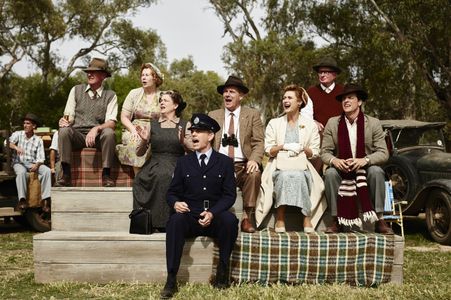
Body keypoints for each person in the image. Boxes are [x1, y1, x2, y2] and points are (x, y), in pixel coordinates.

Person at [161, 113, 238, 299]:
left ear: (210, 136)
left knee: (230, 220)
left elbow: (229, 195)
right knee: (174, 222)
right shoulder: (183, 162)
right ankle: (171, 278)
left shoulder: (225, 162)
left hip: (214, 215)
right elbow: (172, 193)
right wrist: (175, 203)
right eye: (192, 131)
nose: (193, 135)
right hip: (190, 215)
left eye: (198, 131)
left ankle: (222, 272)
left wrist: (213, 212)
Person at [321, 83, 393, 234]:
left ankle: (380, 219)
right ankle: (337, 220)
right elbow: (325, 152)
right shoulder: (333, 123)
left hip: (364, 169)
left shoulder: (372, 123)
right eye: (343, 99)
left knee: (376, 171)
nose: (346, 101)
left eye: (350, 98)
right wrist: (335, 161)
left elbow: (383, 153)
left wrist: (364, 160)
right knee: (330, 173)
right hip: (342, 169)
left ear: (359, 102)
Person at [255, 85, 327, 233]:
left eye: (289, 98)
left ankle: (306, 217)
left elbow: (314, 152)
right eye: (284, 98)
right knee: (284, 175)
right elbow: (268, 149)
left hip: (302, 165)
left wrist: (301, 147)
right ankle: (280, 218)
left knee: (300, 175)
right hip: (278, 165)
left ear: (299, 102)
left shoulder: (309, 125)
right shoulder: (274, 123)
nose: (285, 101)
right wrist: (283, 146)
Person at [208, 75, 264, 233]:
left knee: (254, 174)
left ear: (241, 96)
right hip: (219, 164)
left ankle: (247, 217)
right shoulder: (213, 115)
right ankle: (214, 215)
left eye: (232, 91)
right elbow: (206, 141)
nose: (227, 95)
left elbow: (259, 142)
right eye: (225, 91)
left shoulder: (252, 114)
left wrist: (254, 160)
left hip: (243, 165)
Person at [132, 90, 192, 231]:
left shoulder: (185, 125)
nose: (161, 103)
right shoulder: (152, 124)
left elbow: (193, 151)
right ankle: (149, 221)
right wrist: (144, 140)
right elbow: (139, 153)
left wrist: (183, 142)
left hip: (178, 162)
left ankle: (167, 223)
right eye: (160, 101)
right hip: (155, 163)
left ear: (175, 105)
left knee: (166, 175)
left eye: (165, 100)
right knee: (143, 178)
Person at [56, 57, 118, 187]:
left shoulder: (111, 95)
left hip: (97, 137)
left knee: (109, 133)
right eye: (88, 71)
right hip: (77, 135)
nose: (89, 74)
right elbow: (69, 115)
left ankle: (106, 174)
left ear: (103, 76)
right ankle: (65, 174)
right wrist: (64, 121)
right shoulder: (76, 90)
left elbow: (111, 122)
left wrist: (96, 129)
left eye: (93, 72)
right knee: (64, 131)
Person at [116, 62, 163, 175]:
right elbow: (124, 117)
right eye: (142, 75)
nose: (144, 78)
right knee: (136, 142)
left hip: (155, 130)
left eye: (147, 75)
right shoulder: (134, 93)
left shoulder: (163, 96)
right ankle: (138, 178)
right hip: (135, 130)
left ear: (155, 78)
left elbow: (167, 118)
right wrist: (133, 130)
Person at [306, 57, 344, 174]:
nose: (322, 74)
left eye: (326, 72)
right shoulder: (311, 92)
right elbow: (303, 113)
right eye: (320, 72)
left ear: (334, 75)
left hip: (340, 132)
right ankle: (316, 183)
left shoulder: (343, 91)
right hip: (318, 134)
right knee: (316, 152)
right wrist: (313, 121)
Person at [9, 113, 51, 212]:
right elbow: (7, 142)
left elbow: (41, 158)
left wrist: (37, 165)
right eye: (24, 123)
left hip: (32, 163)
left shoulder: (38, 140)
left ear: (34, 126)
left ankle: (46, 200)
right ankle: (22, 200)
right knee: (22, 172)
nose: (25, 125)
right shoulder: (18, 134)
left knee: (47, 171)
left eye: (28, 123)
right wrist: (16, 147)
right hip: (19, 162)